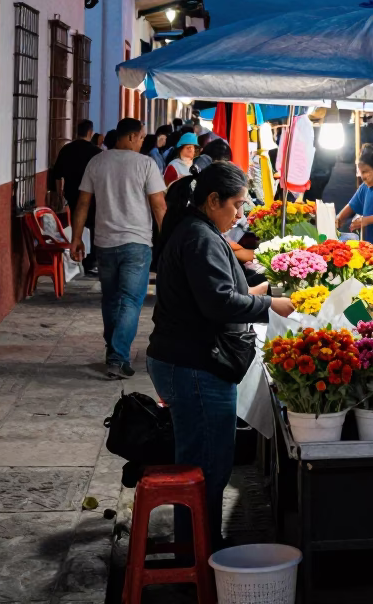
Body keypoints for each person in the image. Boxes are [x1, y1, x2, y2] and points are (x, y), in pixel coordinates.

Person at [148, 163, 295, 549]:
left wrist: (259, 289)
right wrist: (269, 304)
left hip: (187, 359)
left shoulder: (200, 230)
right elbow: (217, 302)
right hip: (193, 365)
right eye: (236, 205)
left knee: (204, 462)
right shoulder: (199, 236)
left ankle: (197, 543)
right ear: (212, 201)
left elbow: (219, 287)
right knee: (206, 467)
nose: (240, 215)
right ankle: (198, 553)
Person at [70, 117, 166, 379]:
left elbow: (82, 204)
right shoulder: (146, 164)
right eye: (143, 137)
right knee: (131, 301)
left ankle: (113, 351)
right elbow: (159, 206)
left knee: (111, 299)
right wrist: (168, 240)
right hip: (136, 244)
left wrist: (76, 237)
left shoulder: (97, 162)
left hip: (104, 243)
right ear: (132, 137)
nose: (143, 142)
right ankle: (117, 356)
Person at [49, 119, 101, 273]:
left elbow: (57, 175)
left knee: (77, 225)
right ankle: (92, 260)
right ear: (90, 133)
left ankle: (77, 252)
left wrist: (60, 195)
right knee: (94, 226)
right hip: (92, 196)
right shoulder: (96, 152)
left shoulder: (66, 149)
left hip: (72, 194)